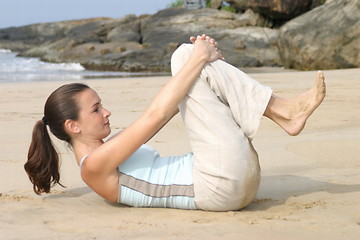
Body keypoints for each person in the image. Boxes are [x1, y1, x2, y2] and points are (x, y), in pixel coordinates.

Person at [24, 34, 326, 211]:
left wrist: (201, 62)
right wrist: (197, 58)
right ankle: (283, 111)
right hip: (218, 184)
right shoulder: (92, 167)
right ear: (72, 126)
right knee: (184, 57)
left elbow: (164, 108)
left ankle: (281, 112)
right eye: (96, 109)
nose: (107, 113)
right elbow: (157, 116)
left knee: (188, 63)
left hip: (229, 180)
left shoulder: (108, 149)